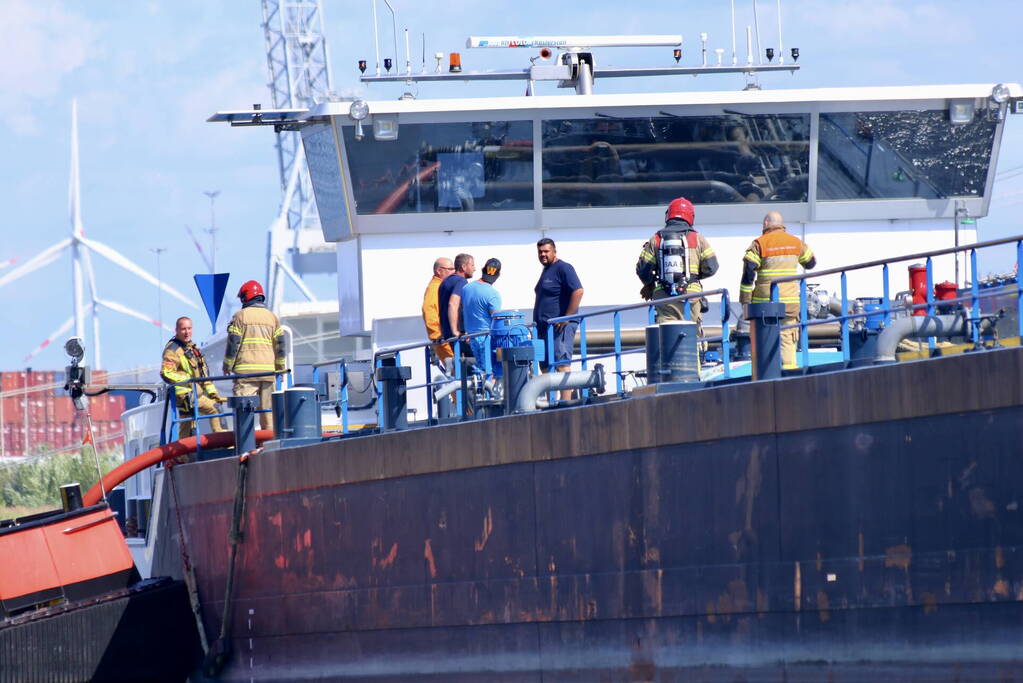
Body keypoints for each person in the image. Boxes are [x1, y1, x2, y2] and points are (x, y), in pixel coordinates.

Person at [739, 210, 817, 369]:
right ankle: (789, 375)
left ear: (766, 224)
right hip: (790, 304)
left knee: (764, 340)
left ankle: (765, 375)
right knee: (787, 339)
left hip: (764, 304)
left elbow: (748, 272)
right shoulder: (796, 242)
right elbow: (811, 263)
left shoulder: (759, 243)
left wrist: (745, 300)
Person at [636, 197, 719, 336]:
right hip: (692, 295)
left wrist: (649, 284)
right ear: (690, 216)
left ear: (668, 215)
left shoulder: (656, 239)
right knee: (693, 336)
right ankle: (696, 356)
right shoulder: (697, 238)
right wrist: (694, 276)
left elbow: (643, 270)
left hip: (664, 297)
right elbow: (712, 267)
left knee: (667, 337)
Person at [223, 280, 287, 431]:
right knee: (269, 415)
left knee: (244, 414)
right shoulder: (273, 317)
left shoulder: (240, 316)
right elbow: (281, 346)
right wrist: (281, 368)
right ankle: (270, 446)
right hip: (268, 374)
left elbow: (233, 344)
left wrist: (227, 366)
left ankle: (245, 447)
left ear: (246, 297)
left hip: (246, 376)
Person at [533, 238, 583, 400]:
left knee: (561, 363)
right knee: (546, 366)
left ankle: (565, 403)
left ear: (554, 251)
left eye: (546, 251)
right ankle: (550, 402)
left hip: (559, 327)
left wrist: (566, 317)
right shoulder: (546, 270)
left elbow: (578, 291)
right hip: (543, 328)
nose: (543, 255)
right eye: (540, 252)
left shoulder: (564, 268)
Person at [161, 316, 226, 439]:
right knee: (215, 409)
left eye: (189, 328)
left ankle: (182, 455)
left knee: (188, 427)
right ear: (177, 330)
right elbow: (166, 373)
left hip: (194, 394)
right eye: (183, 329)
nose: (187, 332)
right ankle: (224, 441)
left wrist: (213, 393)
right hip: (185, 395)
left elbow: (203, 375)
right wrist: (187, 380)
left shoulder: (192, 348)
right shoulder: (173, 350)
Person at [460, 258, 502, 369]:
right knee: (490, 371)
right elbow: (496, 319)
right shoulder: (493, 294)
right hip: (487, 338)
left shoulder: (466, 289)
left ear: (483, 270)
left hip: (471, 338)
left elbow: (463, 311)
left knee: (481, 371)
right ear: (498, 275)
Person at [422, 257, 455, 366]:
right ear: (439, 271)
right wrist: (439, 337)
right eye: (450, 269)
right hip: (444, 343)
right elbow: (429, 311)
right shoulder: (435, 288)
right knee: (458, 373)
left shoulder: (443, 286)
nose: (454, 272)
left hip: (449, 340)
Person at [438, 253, 475, 348]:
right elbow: (452, 304)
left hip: (447, 334)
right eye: (472, 265)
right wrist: (455, 331)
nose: (474, 269)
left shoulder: (445, 282)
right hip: (459, 336)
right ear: (463, 266)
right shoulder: (461, 281)